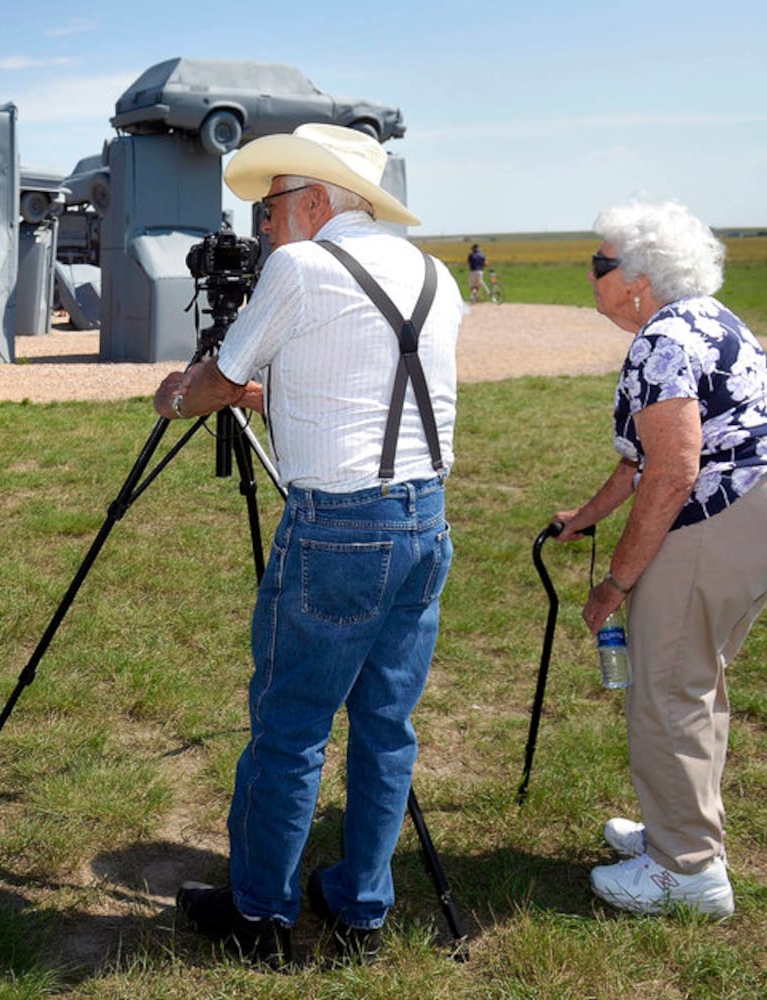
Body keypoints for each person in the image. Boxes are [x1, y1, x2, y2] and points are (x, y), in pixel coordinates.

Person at [154, 123, 460, 967]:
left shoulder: (300, 267)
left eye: (271, 205)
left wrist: (176, 401)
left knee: (289, 728)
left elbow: (215, 380)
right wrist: (273, 396)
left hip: (339, 528)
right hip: (423, 517)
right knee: (386, 726)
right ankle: (362, 907)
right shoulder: (431, 272)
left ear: (319, 202)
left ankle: (259, 915)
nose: (260, 225)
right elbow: (365, 373)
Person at [552, 200, 767, 920]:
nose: (590, 275)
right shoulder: (705, 319)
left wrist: (616, 581)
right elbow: (639, 464)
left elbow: (671, 471)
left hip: (722, 518)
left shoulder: (659, 338)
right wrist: (585, 517)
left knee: (665, 687)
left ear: (637, 279)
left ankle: (686, 871)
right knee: (690, 683)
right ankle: (676, 831)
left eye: (599, 265)